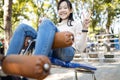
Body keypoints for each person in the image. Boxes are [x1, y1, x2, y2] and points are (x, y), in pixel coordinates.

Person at [6, 0, 90, 62]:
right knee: (22, 27)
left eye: (65, 8)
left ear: (71, 10)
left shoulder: (76, 24)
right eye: (60, 8)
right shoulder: (55, 26)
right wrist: (42, 28)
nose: (62, 10)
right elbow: (44, 44)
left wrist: (85, 28)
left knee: (47, 22)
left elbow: (81, 48)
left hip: (67, 53)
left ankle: (34, 64)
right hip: (51, 50)